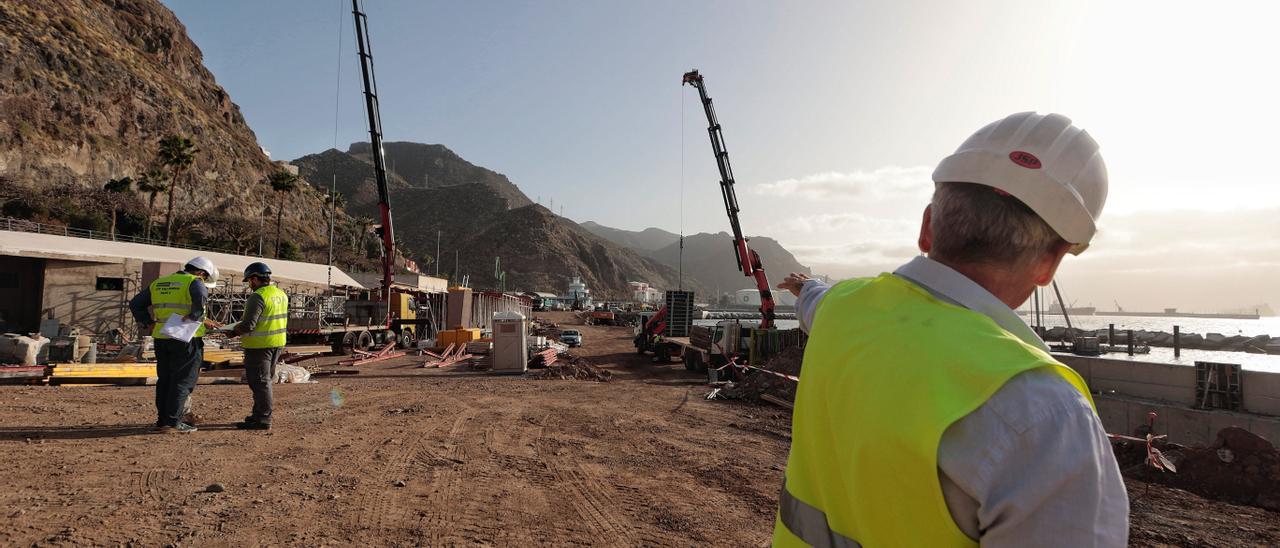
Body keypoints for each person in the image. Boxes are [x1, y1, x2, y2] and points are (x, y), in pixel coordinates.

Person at [772, 112, 1128, 546]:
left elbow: (815, 299)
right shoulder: (1043, 417)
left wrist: (803, 285)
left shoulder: (842, 308)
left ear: (927, 227)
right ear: (1048, 263)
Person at [129, 256, 219, 434]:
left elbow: (136, 303)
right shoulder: (194, 282)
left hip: (162, 337)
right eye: (205, 278)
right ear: (201, 272)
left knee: (166, 379)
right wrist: (195, 316)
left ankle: (163, 420)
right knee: (183, 380)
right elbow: (200, 302)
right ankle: (172, 423)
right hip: (186, 338)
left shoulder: (160, 282)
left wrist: (147, 322)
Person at [226, 262, 289, 430]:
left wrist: (232, 332)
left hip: (259, 346)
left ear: (254, 278)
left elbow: (249, 325)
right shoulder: (281, 294)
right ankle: (258, 414)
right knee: (265, 381)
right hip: (277, 344)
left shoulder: (258, 296)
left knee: (260, 383)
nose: (249, 285)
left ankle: (263, 418)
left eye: (249, 281)